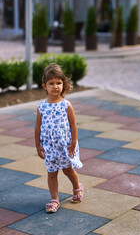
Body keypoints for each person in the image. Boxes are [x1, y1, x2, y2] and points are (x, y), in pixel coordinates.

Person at [35, 63, 83, 213]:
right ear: (44, 86)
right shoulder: (41, 107)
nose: (55, 86)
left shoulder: (66, 105)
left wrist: (73, 142)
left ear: (64, 84)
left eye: (58, 83)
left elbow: (73, 126)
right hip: (49, 146)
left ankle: (77, 187)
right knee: (51, 172)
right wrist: (38, 145)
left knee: (68, 170)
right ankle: (54, 199)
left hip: (65, 145)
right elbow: (38, 127)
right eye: (51, 83)